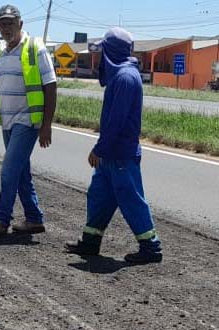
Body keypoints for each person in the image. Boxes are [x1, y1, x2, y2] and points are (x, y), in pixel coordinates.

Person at [65, 28, 161, 264]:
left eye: (102, 52)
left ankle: (151, 247)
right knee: (99, 196)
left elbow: (116, 121)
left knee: (130, 198)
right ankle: (90, 242)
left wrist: (99, 149)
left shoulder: (125, 78)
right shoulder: (121, 76)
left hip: (120, 155)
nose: (99, 59)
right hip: (111, 155)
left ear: (110, 52)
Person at [0, 4, 57, 236]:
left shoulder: (35, 48)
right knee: (21, 171)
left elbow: (51, 86)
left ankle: (1, 219)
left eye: (10, 23)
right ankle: (34, 219)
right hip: (7, 120)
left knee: (8, 170)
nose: (6, 28)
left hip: (28, 121)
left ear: (20, 24)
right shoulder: (0, 50)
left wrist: (46, 125)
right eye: (2, 23)